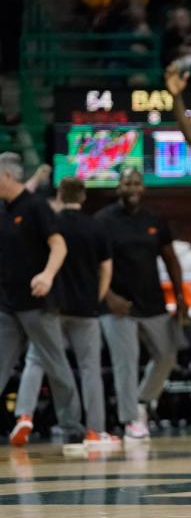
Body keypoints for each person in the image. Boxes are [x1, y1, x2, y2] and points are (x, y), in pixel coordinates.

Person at [11, 177, 117, 448]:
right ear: (83, 197)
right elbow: (106, 269)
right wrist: (98, 298)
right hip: (86, 308)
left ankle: (24, 414)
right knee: (90, 368)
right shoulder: (97, 226)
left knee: (36, 360)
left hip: (52, 307)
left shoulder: (51, 224)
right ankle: (94, 431)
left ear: (59, 195)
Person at [0, 154, 85, 448]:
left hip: (38, 303)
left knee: (55, 365)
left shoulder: (36, 207)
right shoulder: (4, 209)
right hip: (8, 305)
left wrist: (47, 275)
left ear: (8, 177)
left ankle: (72, 426)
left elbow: (59, 246)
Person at [97, 168, 187, 441]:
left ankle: (141, 401)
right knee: (126, 361)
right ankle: (130, 421)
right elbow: (93, 264)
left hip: (153, 301)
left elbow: (171, 259)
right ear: (119, 188)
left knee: (167, 356)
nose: (132, 187)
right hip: (118, 304)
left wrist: (181, 297)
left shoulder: (154, 219)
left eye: (136, 183)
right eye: (127, 183)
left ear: (143, 188)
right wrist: (108, 297)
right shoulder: (102, 220)